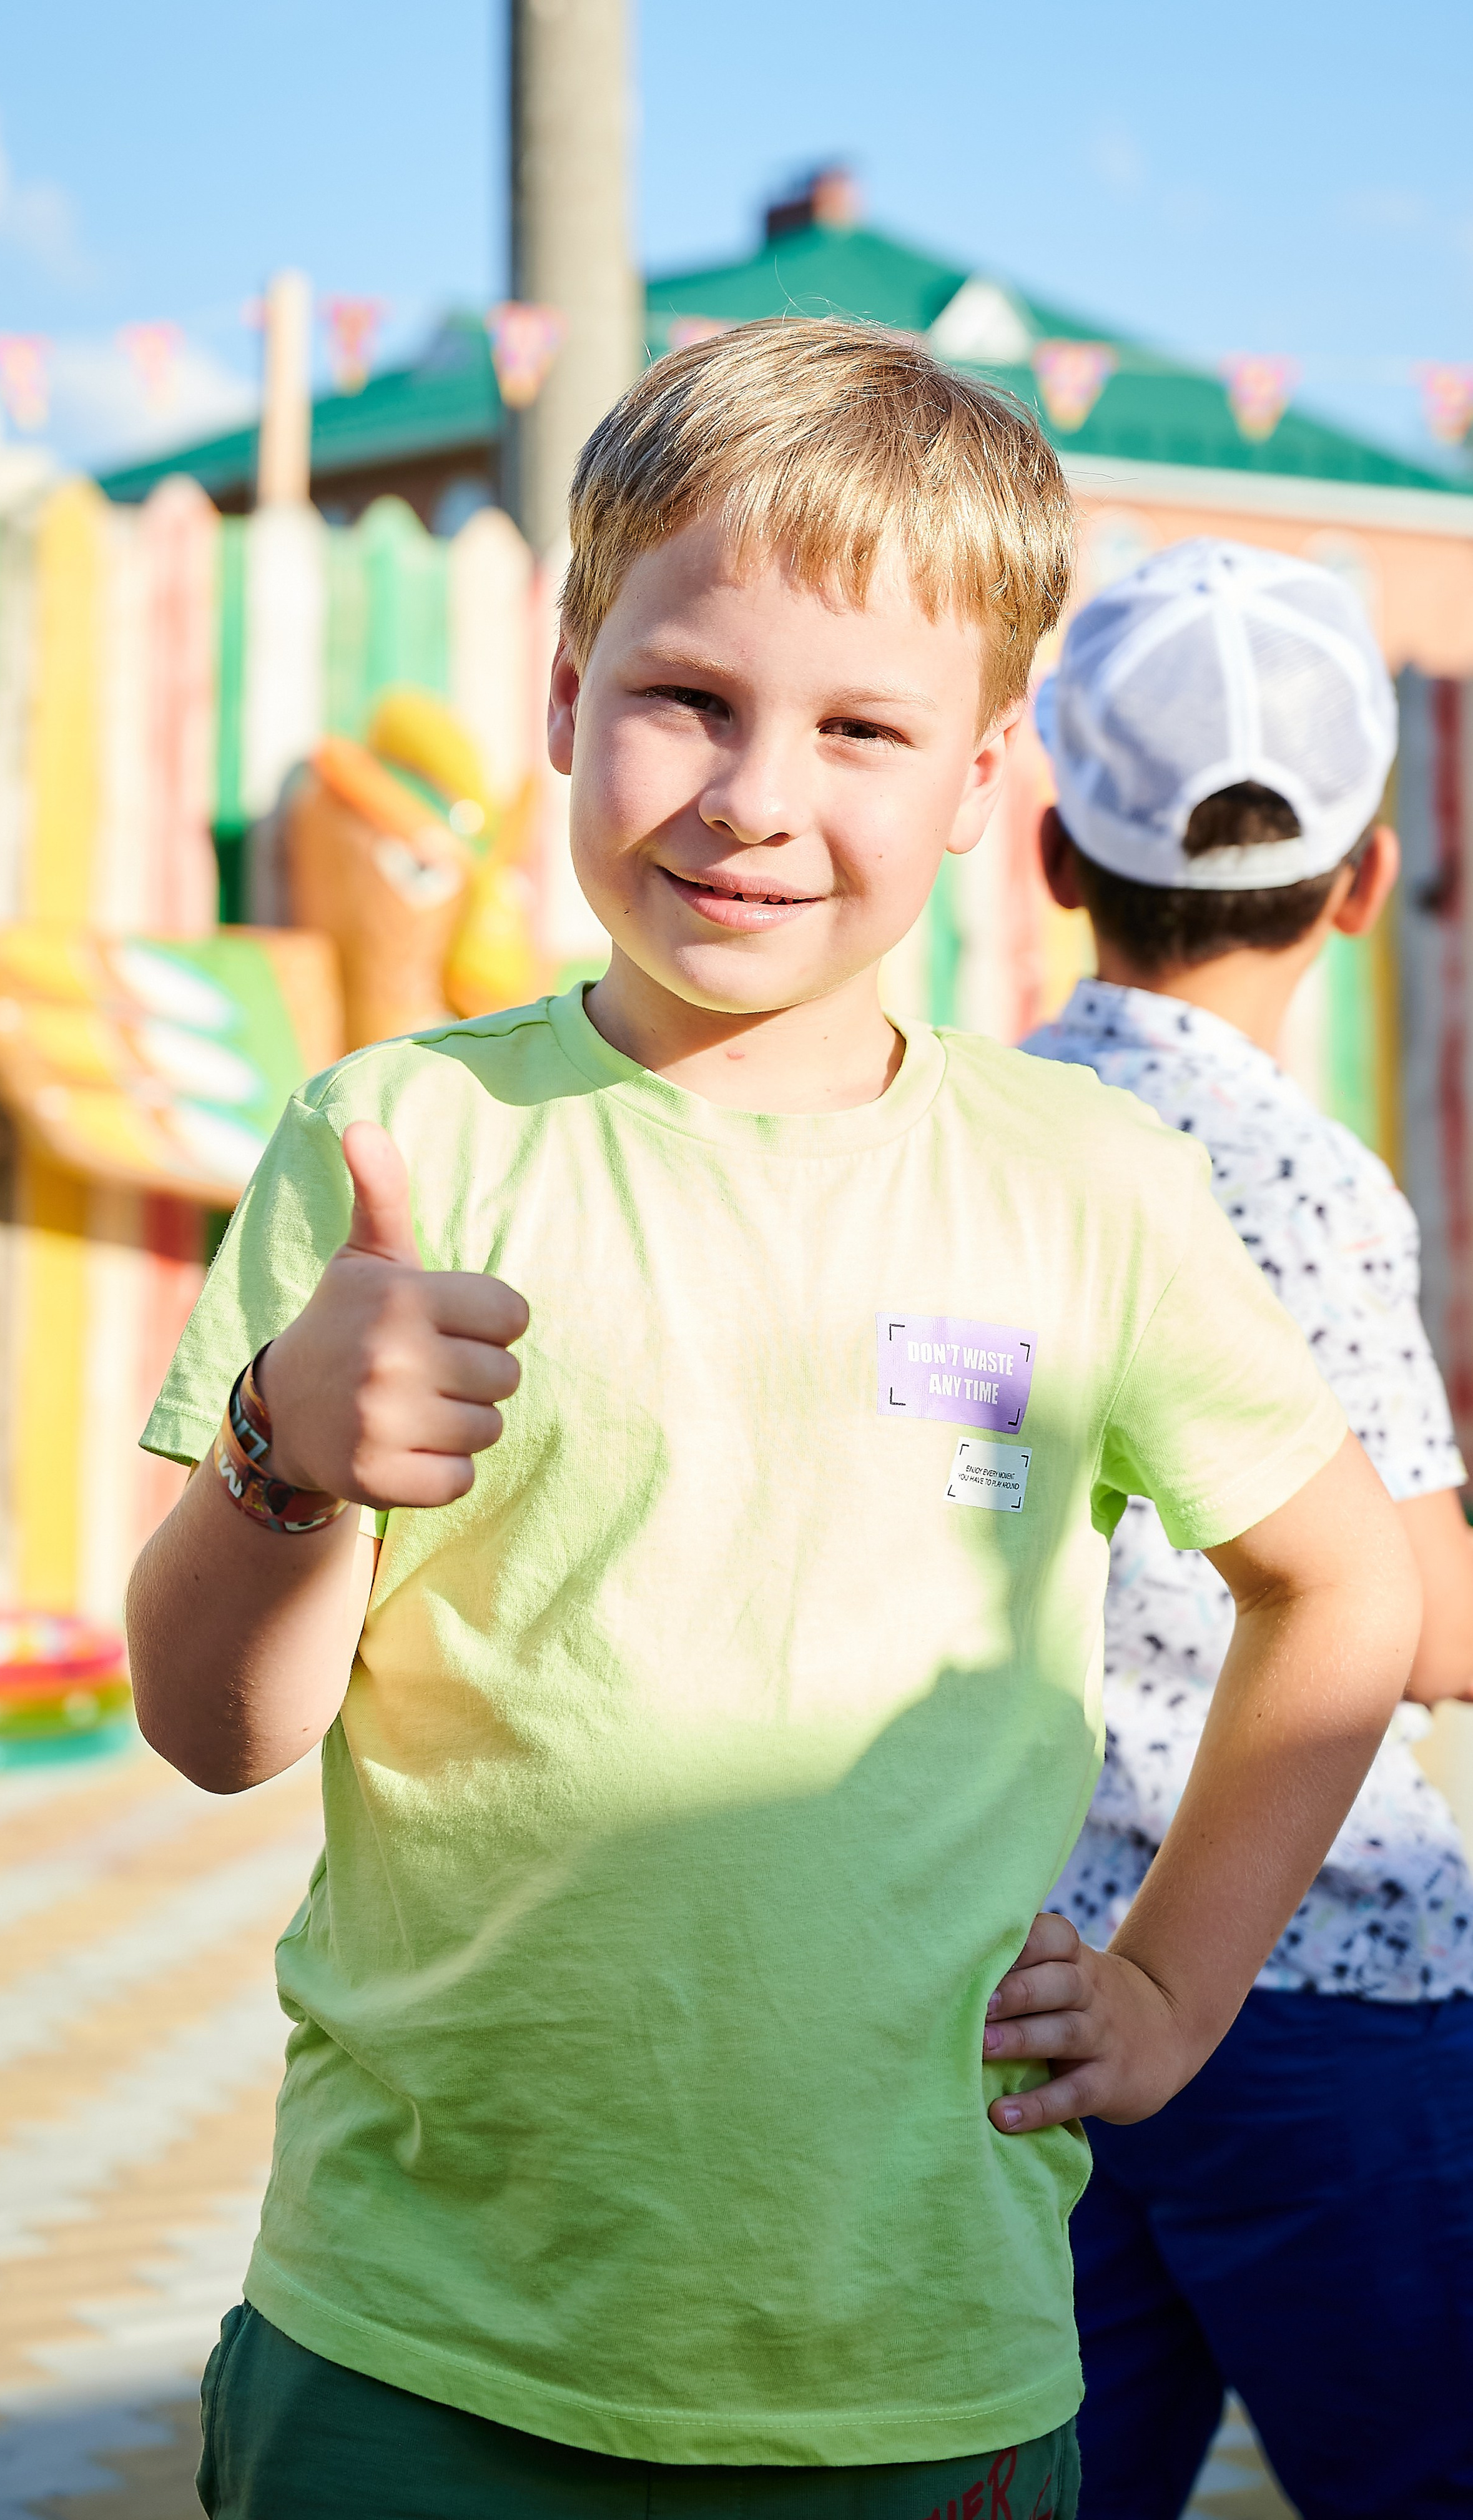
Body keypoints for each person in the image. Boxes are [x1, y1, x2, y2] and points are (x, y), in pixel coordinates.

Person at [126, 329, 1417, 2520]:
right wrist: (282, 1447)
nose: (754, 795)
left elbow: (1345, 1582)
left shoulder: (1086, 1185)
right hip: (409, 2351)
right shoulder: (403, 1144)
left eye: (860, 730)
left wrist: (1178, 1992)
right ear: (563, 692)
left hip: (916, 2362)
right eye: (688, 698)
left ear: (981, 771)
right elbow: (212, 1725)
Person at [1027, 536, 1473, 2520]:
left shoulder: (991, 1125)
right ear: (1367, 884)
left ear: (1052, 852)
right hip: (1324, 1976)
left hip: (1046, 1972)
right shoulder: (1297, 1175)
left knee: (1058, 2467)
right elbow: (1423, 1619)